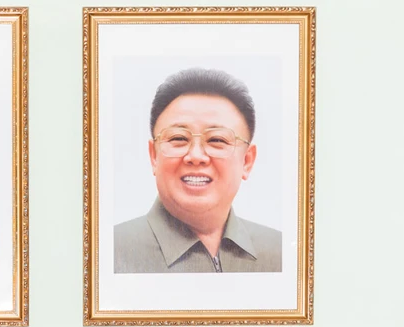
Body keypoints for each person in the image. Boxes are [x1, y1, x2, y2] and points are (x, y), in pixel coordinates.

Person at [112, 68, 281, 274]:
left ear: (247, 161)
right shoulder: (109, 253)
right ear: (154, 156)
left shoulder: (280, 255)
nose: (196, 156)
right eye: (178, 138)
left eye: (217, 140)